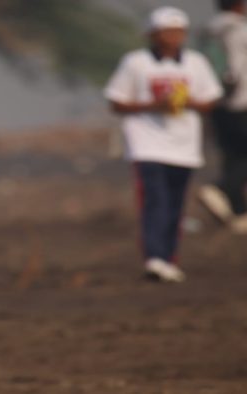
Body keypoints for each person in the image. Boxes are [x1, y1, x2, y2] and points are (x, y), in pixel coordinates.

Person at [104, 7, 223, 282]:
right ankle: (155, 258)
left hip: (184, 147)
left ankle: (169, 258)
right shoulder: (135, 62)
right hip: (147, 144)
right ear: (153, 34)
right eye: (167, 31)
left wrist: (184, 102)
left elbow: (210, 100)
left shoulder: (195, 63)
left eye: (178, 31)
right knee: (154, 201)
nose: (173, 37)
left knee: (175, 205)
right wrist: (155, 105)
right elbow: (116, 101)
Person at [199, 0, 247, 233]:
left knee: (233, 156)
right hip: (241, 102)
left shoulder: (209, 29)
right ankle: (220, 189)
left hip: (216, 102)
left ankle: (237, 211)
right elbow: (237, 69)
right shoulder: (240, 29)